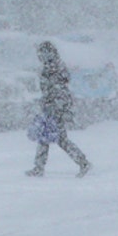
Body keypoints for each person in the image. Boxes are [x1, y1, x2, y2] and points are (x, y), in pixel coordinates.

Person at [25, 41, 92, 178]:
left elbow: (56, 90)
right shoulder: (54, 67)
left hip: (55, 109)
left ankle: (82, 162)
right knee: (46, 139)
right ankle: (39, 166)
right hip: (53, 108)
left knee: (58, 139)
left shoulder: (52, 69)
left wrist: (55, 107)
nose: (39, 56)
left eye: (41, 53)